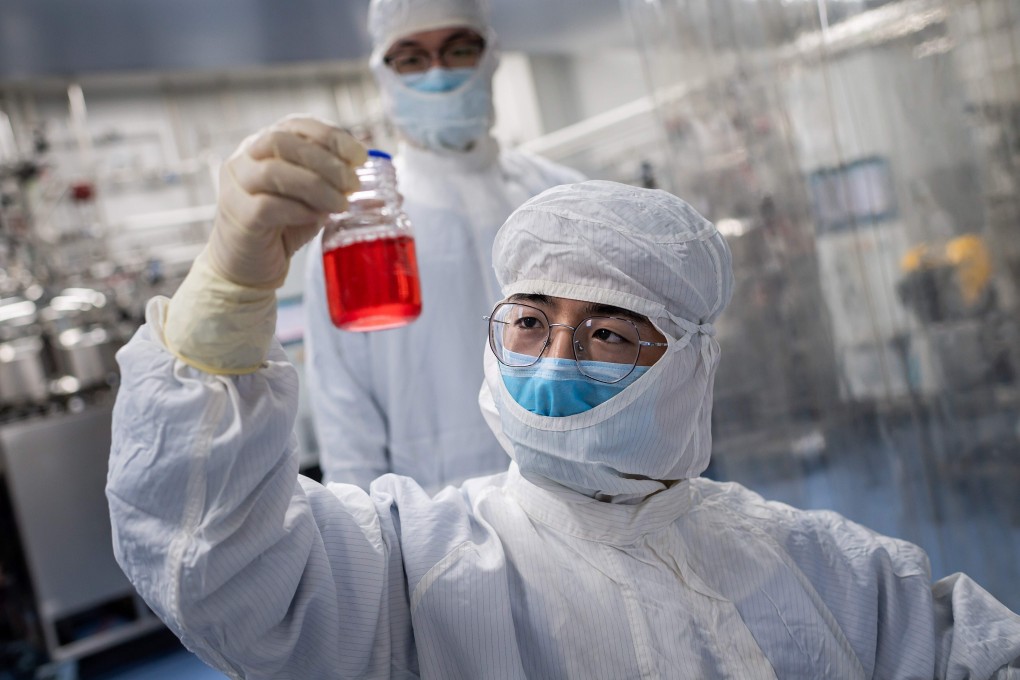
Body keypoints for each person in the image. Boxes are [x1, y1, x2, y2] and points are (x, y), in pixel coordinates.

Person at [107, 117, 1020, 679]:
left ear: (691, 362)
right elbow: (215, 567)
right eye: (531, 321)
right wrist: (226, 295)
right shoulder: (408, 567)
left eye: (611, 332)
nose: (556, 359)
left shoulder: (835, 571)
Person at [302, 0, 584, 492]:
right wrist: (371, 545)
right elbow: (344, 409)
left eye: (458, 49)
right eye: (411, 58)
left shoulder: (566, 199)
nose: (438, 74)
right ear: (384, 72)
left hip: (578, 494)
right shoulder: (358, 229)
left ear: (489, 54)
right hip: (435, 521)